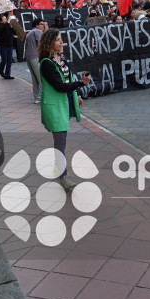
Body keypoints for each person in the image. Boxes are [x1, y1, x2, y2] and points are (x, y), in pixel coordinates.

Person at [38, 28, 92, 189]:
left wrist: (77, 94)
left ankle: (59, 169)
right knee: (60, 142)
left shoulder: (61, 57)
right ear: (49, 43)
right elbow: (60, 86)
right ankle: (63, 176)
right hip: (56, 106)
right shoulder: (47, 63)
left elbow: (68, 79)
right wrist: (81, 83)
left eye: (61, 39)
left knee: (62, 140)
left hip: (66, 102)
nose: (61, 42)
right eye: (58, 40)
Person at [24, 18, 46, 103]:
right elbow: (41, 43)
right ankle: (45, 96)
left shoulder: (31, 32)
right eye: (42, 24)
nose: (43, 26)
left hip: (29, 57)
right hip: (35, 56)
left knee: (35, 78)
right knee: (40, 78)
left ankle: (37, 97)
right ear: (37, 25)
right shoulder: (38, 31)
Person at [0, 14, 17, 79]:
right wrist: (9, 23)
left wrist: (15, 24)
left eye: (6, 18)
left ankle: (8, 74)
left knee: (9, 60)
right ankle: (0, 69)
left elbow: (12, 31)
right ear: (1, 21)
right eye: (4, 19)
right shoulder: (0, 27)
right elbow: (4, 30)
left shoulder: (8, 25)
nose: (6, 20)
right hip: (3, 45)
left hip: (9, 44)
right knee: (4, 60)